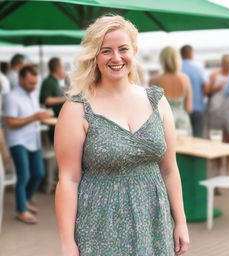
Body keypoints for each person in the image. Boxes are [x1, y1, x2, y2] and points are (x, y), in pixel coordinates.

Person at [55, 15, 189, 256]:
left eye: (123, 49)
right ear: (94, 56)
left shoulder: (157, 100)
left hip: (154, 222)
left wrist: (180, 221)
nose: (116, 58)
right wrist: (67, 242)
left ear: (134, 51)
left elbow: (169, 169)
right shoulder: (77, 108)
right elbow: (68, 180)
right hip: (100, 224)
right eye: (106, 51)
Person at [3, 65, 52, 224]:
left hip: (32, 139)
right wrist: (35, 117)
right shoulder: (11, 97)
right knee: (24, 176)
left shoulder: (31, 94)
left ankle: (26, 199)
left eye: (35, 82)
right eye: (31, 82)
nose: (34, 86)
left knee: (39, 173)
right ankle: (21, 211)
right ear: (21, 79)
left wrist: (44, 117)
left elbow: (35, 116)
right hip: (18, 141)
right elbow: (10, 123)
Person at [149, 46, 192, 136]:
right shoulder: (185, 79)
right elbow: (189, 107)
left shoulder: (154, 80)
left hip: (163, 121)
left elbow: (151, 109)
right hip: (182, 122)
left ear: (162, 60)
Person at [180, 45, 208, 137]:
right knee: (198, 138)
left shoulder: (178, 68)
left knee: (182, 139)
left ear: (181, 54)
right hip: (197, 107)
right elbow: (206, 87)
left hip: (181, 110)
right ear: (192, 54)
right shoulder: (198, 68)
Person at [40, 57, 66, 141]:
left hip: (59, 122)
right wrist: (65, 99)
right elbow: (46, 100)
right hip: (53, 123)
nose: (64, 69)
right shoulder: (48, 81)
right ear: (57, 68)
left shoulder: (56, 81)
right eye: (62, 67)